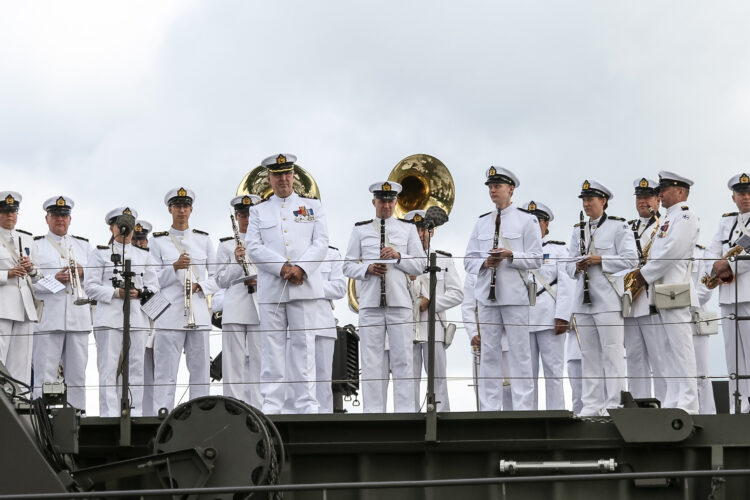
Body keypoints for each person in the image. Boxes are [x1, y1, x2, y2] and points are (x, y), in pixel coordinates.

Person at [245, 154, 329, 414]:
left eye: (287, 174)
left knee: (304, 346)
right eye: (277, 174)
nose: (283, 179)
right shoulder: (258, 210)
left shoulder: (312, 207)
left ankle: (306, 403)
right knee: (272, 347)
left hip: (303, 285)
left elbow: (321, 242)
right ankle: (272, 403)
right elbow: (253, 246)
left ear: (294, 176)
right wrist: (282, 268)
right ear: (269, 178)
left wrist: (300, 268)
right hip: (273, 286)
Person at [343, 181, 426, 413]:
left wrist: (398, 256)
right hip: (370, 303)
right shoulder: (360, 229)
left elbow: (420, 265)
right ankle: (373, 414)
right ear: (374, 202)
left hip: (399, 302)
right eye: (382, 201)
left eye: (390, 201)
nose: (386, 205)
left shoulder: (407, 229)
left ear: (396, 202)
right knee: (371, 362)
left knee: (403, 360)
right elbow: (347, 266)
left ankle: (405, 413)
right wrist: (367, 269)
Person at [465, 167, 542, 411]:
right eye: (490, 186)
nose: (492, 190)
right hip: (488, 297)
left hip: (514, 295)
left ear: (511, 189)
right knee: (489, 353)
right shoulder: (481, 223)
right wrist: (485, 262)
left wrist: (510, 255)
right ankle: (489, 408)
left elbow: (536, 259)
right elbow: (468, 260)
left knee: (520, 353)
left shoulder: (526, 220)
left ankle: (523, 408)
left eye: (497, 186)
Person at [629, 171, 699, 413]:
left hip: (675, 289)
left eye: (665, 189)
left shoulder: (685, 217)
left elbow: (671, 253)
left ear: (680, 192)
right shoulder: (668, 219)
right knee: (668, 350)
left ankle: (689, 401)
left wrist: (642, 276)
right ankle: (673, 398)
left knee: (681, 347)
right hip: (661, 292)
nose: (660, 193)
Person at [566, 180, 637, 416]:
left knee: (613, 351)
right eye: (584, 200)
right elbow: (567, 267)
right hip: (583, 299)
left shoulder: (618, 226)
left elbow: (631, 259)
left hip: (607, 299)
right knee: (588, 354)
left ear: (603, 201)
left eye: (591, 200)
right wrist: (577, 265)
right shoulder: (578, 229)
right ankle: (591, 405)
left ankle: (614, 404)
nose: (586, 204)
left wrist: (600, 260)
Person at [84, 207, 159, 417]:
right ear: (112, 227)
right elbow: (89, 286)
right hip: (109, 318)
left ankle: (133, 413)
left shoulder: (144, 255)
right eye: (121, 224)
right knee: (108, 369)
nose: (125, 229)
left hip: (136, 318)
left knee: (136, 368)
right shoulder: (100, 253)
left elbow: (154, 285)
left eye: (129, 225)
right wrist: (116, 292)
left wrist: (140, 292)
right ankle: (109, 414)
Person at [150, 188, 219, 412]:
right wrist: (174, 268)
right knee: (165, 372)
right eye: (177, 206)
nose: (181, 210)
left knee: (200, 371)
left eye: (185, 206)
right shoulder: (157, 242)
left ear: (191, 209)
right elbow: (150, 279)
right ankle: (162, 414)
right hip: (169, 313)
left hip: (197, 312)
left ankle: (201, 415)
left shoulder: (203, 240)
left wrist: (202, 286)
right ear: (170, 209)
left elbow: (219, 276)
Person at [32, 196, 93, 410]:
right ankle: (41, 419)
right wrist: (55, 280)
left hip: (78, 319)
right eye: (56, 215)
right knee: (44, 375)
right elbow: (30, 282)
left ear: (70, 219)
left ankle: (78, 418)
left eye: (64, 216)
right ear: (47, 218)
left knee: (77, 375)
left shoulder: (83, 246)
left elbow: (96, 279)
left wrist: (83, 271)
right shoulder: (36, 245)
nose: (60, 219)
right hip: (49, 318)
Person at [403, 209, 463, 412]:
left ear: (432, 232)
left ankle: (441, 416)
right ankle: (408, 419)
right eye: (416, 230)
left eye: (424, 230)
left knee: (438, 378)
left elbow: (457, 293)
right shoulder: (401, 260)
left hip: (433, 327)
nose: (420, 234)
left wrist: (430, 302)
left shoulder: (443, 259)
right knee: (408, 379)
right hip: (406, 326)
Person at [705, 172, 750, 412]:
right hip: (727, 295)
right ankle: (738, 402)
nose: (746, 197)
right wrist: (713, 268)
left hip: (748, 294)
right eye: (742, 193)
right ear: (733, 197)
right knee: (732, 355)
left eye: (749, 193)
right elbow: (711, 250)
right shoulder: (727, 222)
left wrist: (729, 266)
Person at [522, 201, 573, 410]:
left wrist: (562, 315)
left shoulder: (558, 250)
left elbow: (567, 284)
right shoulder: (516, 251)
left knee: (553, 371)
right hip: (523, 319)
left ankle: (556, 412)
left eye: (538, 222)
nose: (534, 227)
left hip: (549, 317)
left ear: (546, 225)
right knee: (526, 374)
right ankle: (527, 414)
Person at [215, 194, 262, 407]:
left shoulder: (266, 241)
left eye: (250, 214)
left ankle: (259, 406)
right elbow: (220, 280)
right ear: (237, 216)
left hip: (260, 304)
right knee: (233, 361)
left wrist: (258, 282)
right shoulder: (226, 245)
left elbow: (275, 272)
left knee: (260, 360)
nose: (247, 219)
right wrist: (236, 261)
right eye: (243, 215)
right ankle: (233, 405)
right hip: (235, 306)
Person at [622, 178, 667, 403]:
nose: (642, 202)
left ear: (658, 199)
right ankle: (639, 404)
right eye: (639, 197)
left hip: (653, 298)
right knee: (634, 355)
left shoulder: (665, 226)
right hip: (631, 298)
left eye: (647, 197)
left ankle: (665, 402)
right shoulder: (626, 227)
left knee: (659, 356)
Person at [0, 191, 39, 386]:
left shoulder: (27, 239)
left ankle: (21, 407)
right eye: (5, 212)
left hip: (25, 308)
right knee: (1, 362)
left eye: (13, 212)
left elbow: (38, 275)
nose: (10, 216)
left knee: (21, 365)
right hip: (3, 307)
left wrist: (31, 268)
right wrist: (7, 274)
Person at [132, 220, 156, 415]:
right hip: (137, 320)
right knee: (139, 370)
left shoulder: (154, 259)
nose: (140, 243)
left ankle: (157, 412)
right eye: (136, 240)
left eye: (142, 240)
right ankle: (142, 413)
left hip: (157, 319)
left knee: (161, 373)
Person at [692, 244, 716, 414]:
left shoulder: (701, 254)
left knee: (701, 373)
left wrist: (678, 304)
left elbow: (705, 291)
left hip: (695, 320)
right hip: (670, 321)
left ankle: (707, 413)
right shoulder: (667, 251)